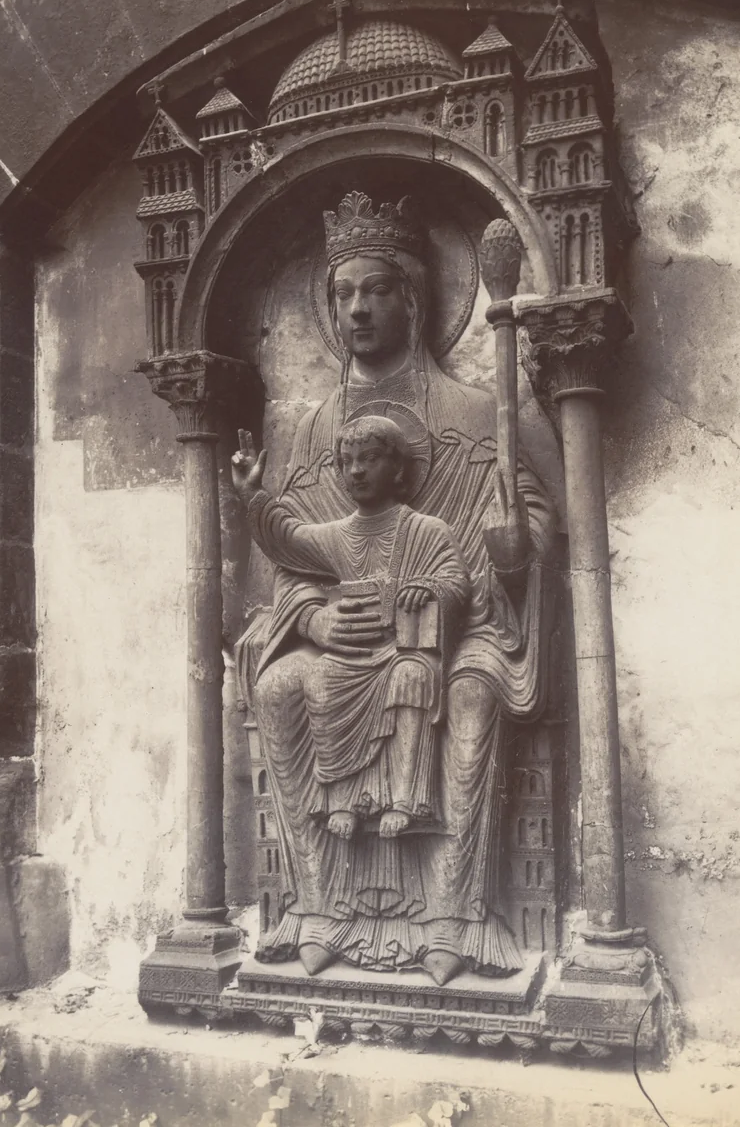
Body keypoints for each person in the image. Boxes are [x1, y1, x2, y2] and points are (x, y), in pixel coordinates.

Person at [236, 191, 557, 985]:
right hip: (345, 639)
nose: (355, 309)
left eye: (374, 290)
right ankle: (318, 910)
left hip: (454, 627)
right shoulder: (312, 435)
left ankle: (453, 920)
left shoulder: (477, 413)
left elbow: (528, 524)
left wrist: (514, 545)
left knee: (472, 691)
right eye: (341, 294)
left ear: (412, 299)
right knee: (277, 684)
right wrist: (311, 619)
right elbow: (288, 558)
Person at [230, 416, 469, 841]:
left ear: (397, 469)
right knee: (321, 677)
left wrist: (427, 588)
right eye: (346, 461)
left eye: (370, 458)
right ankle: (342, 798)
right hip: (353, 654)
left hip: (404, 651)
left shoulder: (428, 531)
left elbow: (457, 583)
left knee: (411, 678)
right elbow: (287, 539)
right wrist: (252, 493)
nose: (356, 470)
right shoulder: (338, 535)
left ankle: (406, 801)